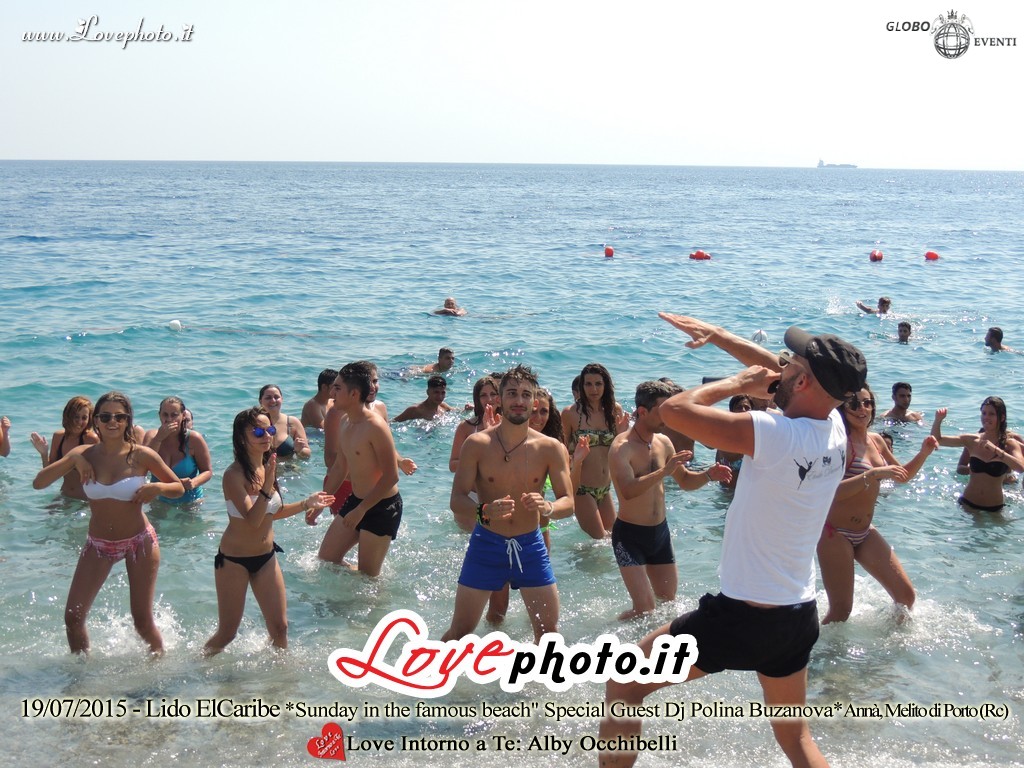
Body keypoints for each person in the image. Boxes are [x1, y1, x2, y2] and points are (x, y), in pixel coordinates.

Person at [600, 313, 866, 768]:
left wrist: (735, 383)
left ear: (803, 382)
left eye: (792, 365)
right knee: (795, 736)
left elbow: (674, 411)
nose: (782, 366)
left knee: (623, 686)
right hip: (797, 615)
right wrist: (720, 336)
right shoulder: (835, 427)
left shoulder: (774, 434)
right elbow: (778, 369)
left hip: (744, 616)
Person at [31, 392, 184, 654]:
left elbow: (178, 488)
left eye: (119, 417)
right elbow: (39, 483)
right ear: (96, 421)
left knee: (142, 622)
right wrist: (73, 459)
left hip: (139, 542)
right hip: (98, 544)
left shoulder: (141, 455)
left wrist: (157, 487)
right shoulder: (84, 454)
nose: (112, 422)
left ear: (127, 420)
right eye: (105, 417)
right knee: (73, 618)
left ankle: (159, 664)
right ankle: (81, 672)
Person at [442, 365, 573, 643]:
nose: (519, 400)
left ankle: (530, 675)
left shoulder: (550, 448)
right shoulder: (477, 444)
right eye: (512, 393)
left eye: (526, 395)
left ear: (534, 402)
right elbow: (457, 499)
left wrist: (548, 508)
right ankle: (425, 669)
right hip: (486, 545)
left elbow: (568, 502)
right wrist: (483, 511)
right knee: (460, 633)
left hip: (531, 547)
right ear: (499, 399)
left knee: (548, 635)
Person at [203, 407, 333, 655]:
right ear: (242, 438)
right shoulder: (233, 475)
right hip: (234, 561)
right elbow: (253, 519)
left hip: (266, 556)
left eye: (270, 429)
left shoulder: (266, 466)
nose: (266, 436)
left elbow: (273, 512)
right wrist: (268, 482)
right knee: (228, 633)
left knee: (280, 628)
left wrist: (306, 503)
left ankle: (279, 677)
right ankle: (197, 667)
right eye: (258, 432)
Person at [609, 381, 732, 620]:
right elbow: (628, 490)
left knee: (668, 603)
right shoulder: (621, 448)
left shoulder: (663, 442)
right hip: (630, 537)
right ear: (642, 412)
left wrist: (708, 475)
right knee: (644, 609)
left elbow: (685, 481)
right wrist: (665, 471)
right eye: (662, 410)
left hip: (660, 534)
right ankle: (609, 633)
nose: (668, 416)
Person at [817, 386, 938, 623]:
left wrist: (923, 453)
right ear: (843, 409)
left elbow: (902, 475)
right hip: (835, 533)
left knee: (906, 598)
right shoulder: (840, 444)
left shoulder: (876, 440)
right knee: (841, 612)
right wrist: (871, 475)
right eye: (854, 404)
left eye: (867, 403)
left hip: (864, 532)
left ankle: (888, 645)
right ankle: (817, 646)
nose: (862, 409)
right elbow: (828, 493)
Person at [310, 362, 403, 576]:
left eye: (337, 388)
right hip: (356, 501)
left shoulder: (375, 426)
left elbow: (391, 477)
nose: (331, 394)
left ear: (353, 394)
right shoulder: (345, 422)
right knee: (326, 559)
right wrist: (322, 501)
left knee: (367, 577)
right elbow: (339, 467)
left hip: (382, 506)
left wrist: (362, 510)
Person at [561, 363, 627, 539]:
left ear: (606, 385)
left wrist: (621, 436)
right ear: (581, 386)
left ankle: (579, 556)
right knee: (599, 540)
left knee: (613, 540)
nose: (593, 389)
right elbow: (561, 453)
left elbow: (621, 452)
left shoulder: (614, 410)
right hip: (582, 489)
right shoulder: (571, 414)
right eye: (588, 384)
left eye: (598, 383)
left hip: (605, 489)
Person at [931, 398, 1024, 513]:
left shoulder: (1009, 444)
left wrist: (996, 450)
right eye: (984, 413)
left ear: (1002, 417)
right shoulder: (972, 440)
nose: (986, 417)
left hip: (995, 508)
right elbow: (938, 440)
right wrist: (938, 420)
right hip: (967, 504)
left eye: (991, 414)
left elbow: (1020, 467)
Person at [143, 396, 213, 504]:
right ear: (159, 415)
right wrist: (158, 439)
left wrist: (193, 483)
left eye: (174, 415)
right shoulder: (152, 436)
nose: (169, 419)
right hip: (159, 501)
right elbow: (143, 466)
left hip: (190, 501)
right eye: (165, 414)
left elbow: (207, 471)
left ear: (183, 415)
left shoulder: (194, 439)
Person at [29, 396, 100, 500]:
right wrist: (44, 453)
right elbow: (49, 475)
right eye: (76, 416)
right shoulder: (58, 437)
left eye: (84, 418)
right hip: (65, 495)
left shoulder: (91, 439)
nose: (80, 421)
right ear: (68, 415)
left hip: (85, 500)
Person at [449, 376, 500, 473]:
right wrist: (476, 462)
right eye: (483, 395)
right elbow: (453, 465)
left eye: (493, 394)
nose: (489, 399)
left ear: (499, 398)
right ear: (477, 399)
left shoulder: (508, 425)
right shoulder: (465, 427)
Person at [258, 384, 312, 459]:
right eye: (268, 398)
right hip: (262, 466)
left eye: (276, 397)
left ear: (282, 399)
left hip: (289, 466)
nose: (273, 400)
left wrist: (300, 450)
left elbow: (307, 454)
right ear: (260, 401)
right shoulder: (254, 423)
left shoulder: (292, 422)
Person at [714, 395, 752, 490]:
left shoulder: (754, 436)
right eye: (739, 407)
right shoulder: (724, 435)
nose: (743, 410)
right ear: (731, 412)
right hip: (724, 492)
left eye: (747, 407)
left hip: (744, 493)